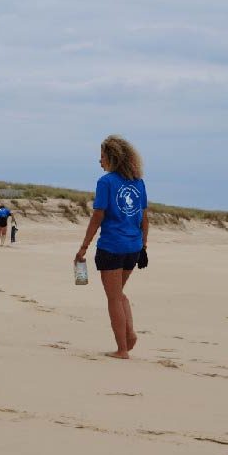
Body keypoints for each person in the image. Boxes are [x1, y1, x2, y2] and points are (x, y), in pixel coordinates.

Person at [74, 135, 148, 359]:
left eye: (102, 157)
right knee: (119, 293)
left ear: (112, 158)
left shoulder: (105, 182)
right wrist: (143, 246)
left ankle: (122, 349)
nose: (100, 161)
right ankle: (129, 333)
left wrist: (84, 247)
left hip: (112, 246)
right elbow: (145, 218)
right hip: (133, 247)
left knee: (114, 297)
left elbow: (98, 216)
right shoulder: (138, 182)